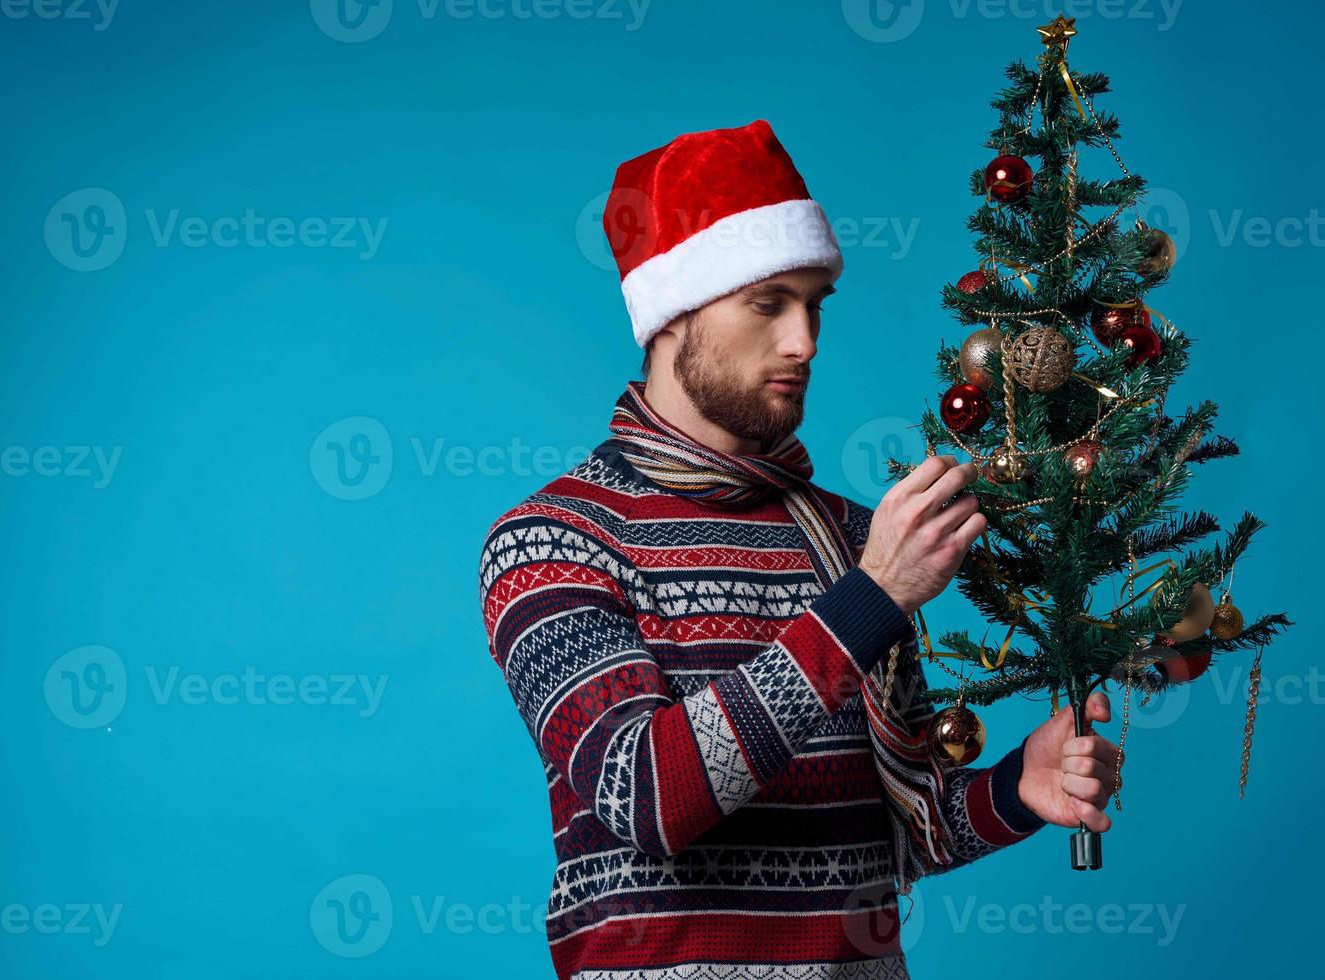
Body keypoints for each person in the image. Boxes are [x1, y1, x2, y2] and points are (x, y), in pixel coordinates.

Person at [477, 119, 1120, 980]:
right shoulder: (553, 540)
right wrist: (870, 600)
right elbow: (647, 797)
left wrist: (1017, 789)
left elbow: (907, 831)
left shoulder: (854, 540)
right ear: (674, 315)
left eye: (815, 305)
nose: (804, 342)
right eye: (768, 303)